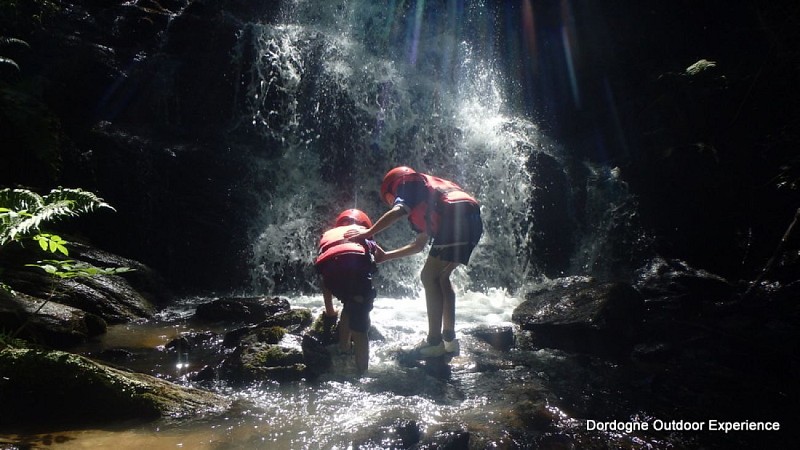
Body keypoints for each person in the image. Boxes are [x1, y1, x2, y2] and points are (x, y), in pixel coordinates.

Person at [345, 166, 482, 358]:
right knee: (442, 277)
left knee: (428, 276)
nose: (391, 202)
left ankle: (434, 342)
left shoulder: (406, 183)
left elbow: (399, 210)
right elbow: (419, 246)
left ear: (391, 188)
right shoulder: (431, 192)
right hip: (472, 217)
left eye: (389, 199)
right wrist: (386, 256)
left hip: (454, 218)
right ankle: (450, 340)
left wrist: (367, 233)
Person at [314, 208, 385, 374]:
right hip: (357, 278)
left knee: (348, 304)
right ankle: (363, 373)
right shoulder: (364, 235)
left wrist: (330, 311)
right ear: (364, 225)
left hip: (331, 275)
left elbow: (324, 279)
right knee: (360, 328)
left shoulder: (330, 236)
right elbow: (381, 257)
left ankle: (343, 348)